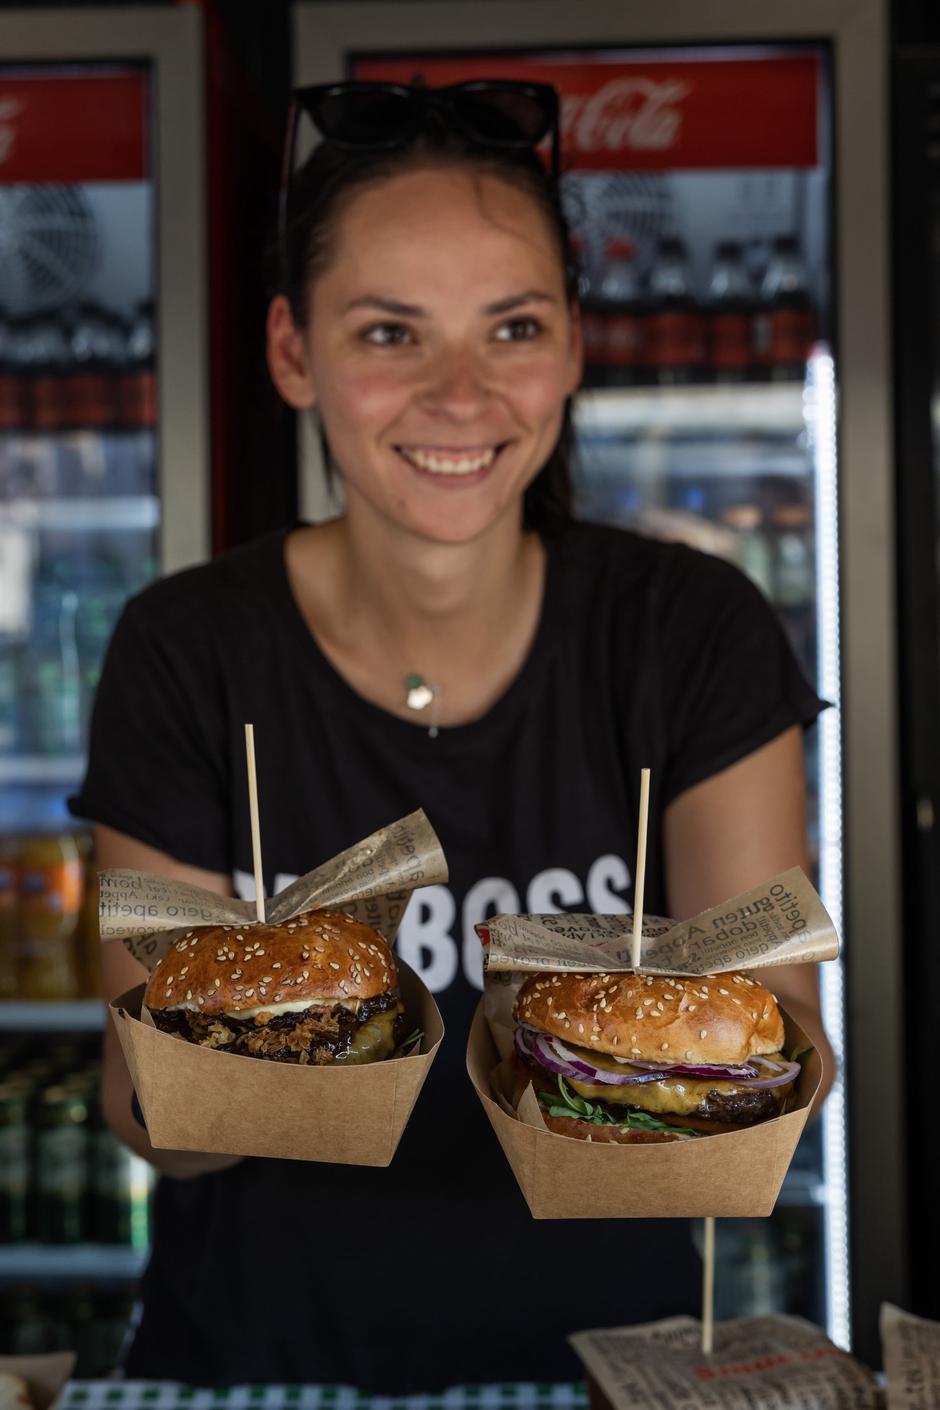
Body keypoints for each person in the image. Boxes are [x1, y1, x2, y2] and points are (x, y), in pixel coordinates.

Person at [71, 80, 834, 1390]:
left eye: (513, 327)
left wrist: (605, 1041)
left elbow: (782, 1051)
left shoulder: (689, 634)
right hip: (259, 1371)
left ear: (575, 346)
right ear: (294, 352)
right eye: (390, 332)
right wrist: (298, 1024)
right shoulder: (188, 649)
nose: (461, 394)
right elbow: (153, 1117)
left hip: (614, 1371)